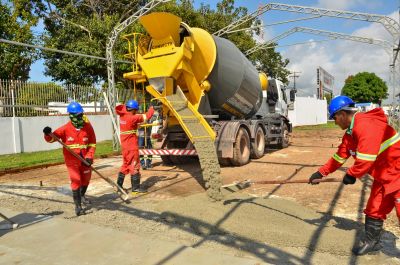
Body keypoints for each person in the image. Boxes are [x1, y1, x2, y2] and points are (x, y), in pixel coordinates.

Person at [308, 95, 400, 256]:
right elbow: (339, 157)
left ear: (343, 114)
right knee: (374, 210)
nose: (335, 122)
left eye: (335, 118)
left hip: (397, 174)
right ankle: (372, 243)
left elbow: (366, 157)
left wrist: (352, 174)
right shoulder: (350, 135)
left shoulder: (366, 125)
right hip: (383, 176)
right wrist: (320, 173)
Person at [43, 102, 96, 216]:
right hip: (72, 160)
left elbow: (92, 143)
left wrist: (89, 156)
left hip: (85, 159)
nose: (80, 117)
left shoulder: (87, 127)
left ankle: (82, 196)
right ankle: (78, 206)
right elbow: (52, 139)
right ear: (71, 116)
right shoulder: (65, 129)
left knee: (86, 179)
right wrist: (47, 134)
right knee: (76, 180)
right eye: (77, 115)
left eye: (81, 114)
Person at [115, 99, 154, 194]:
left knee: (125, 165)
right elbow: (147, 116)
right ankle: (135, 189)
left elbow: (132, 125)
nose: (136, 112)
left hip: (125, 146)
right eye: (136, 110)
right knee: (135, 165)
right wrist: (152, 109)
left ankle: (118, 186)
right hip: (131, 146)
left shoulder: (123, 116)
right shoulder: (132, 118)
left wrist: (138, 125)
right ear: (133, 110)